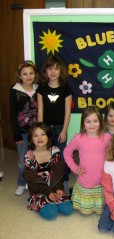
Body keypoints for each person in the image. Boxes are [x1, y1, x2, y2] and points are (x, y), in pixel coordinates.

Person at [64, 106, 111, 215]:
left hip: (102, 178)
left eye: (95, 121)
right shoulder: (78, 138)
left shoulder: (107, 138)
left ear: (100, 122)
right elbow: (66, 152)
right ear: (83, 123)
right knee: (86, 210)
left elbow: (113, 153)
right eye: (88, 121)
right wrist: (74, 167)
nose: (92, 125)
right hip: (85, 177)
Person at [23, 122, 73, 220]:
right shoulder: (28, 156)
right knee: (51, 213)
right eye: (35, 135)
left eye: (43, 134)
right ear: (31, 139)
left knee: (68, 210)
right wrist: (48, 192)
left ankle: (52, 202)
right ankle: (35, 203)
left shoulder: (55, 151)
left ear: (48, 136)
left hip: (54, 187)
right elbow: (32, 181)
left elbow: (59, 173)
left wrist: (59, 188)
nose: (39, 138)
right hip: (39, 191)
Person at [37, 55, 72, 192]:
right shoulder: (42, 89)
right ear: (45, 71)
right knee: (47, 156)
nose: (53, 72)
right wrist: (40, 131)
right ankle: (47, 183)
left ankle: (63, 185)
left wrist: (64, 130)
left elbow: (67, 111)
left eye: (56, 69)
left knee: (61, 157)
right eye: (50, 68)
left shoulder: (65, 89)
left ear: (61, 71)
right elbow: (40, 109)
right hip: (46, 129)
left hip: (59, 128)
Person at [9, 60, 38, 195]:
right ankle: (21, 183)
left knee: (37, 158)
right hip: (23, 132)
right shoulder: (15, 91)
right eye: (25, 74)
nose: (28, 76)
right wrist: (16, 134)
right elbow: (13, 114)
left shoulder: (39, 90)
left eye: (31, 73)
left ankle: (34, 182)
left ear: (35, 75)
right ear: (20, 76)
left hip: (37, 133)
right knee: (22, 160)